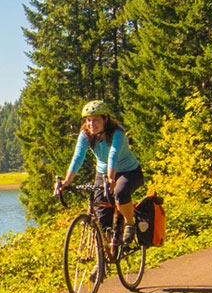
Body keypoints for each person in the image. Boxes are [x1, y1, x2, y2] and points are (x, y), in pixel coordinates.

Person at [53, 100, 147, 244]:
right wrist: (66, 181)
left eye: (96, 120)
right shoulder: (86, 135)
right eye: (88, 120)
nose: (91, 124)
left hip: (129, 171)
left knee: (120, 193)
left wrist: (111, 179)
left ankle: (129, 223)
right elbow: (78, 157)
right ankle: (104, 258)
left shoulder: (117, 133)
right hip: (103, 173)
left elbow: (113, 155)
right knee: (102, 217)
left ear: (106, 119)